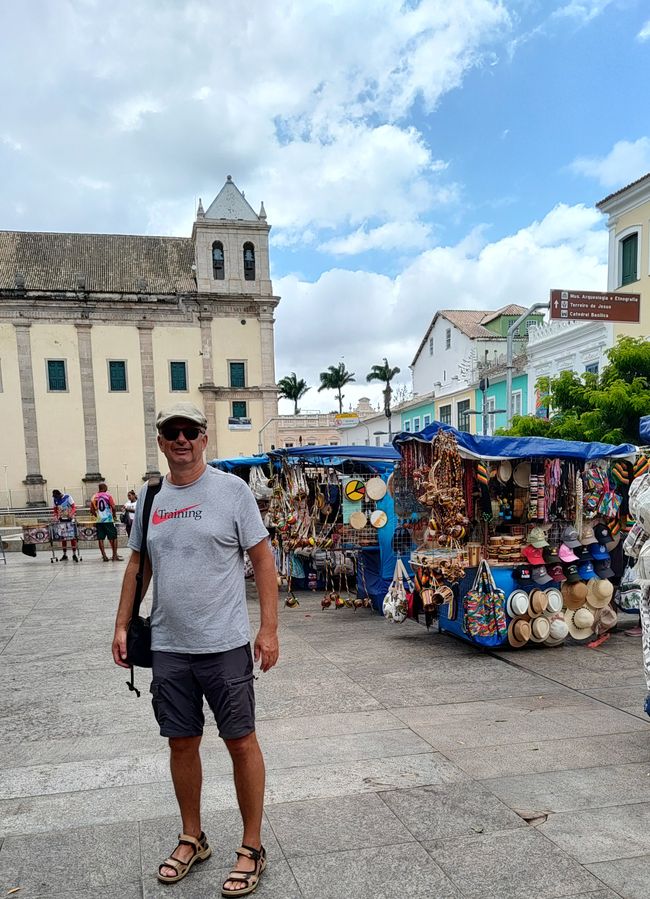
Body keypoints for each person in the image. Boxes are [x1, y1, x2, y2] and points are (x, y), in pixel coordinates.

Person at [112, 401, 279, 895]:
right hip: (168, 646)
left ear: (204, 438)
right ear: (161, 442)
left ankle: (252, 846)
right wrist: (122, 625)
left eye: (190, 431)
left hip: (225, 644)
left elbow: (264, 563)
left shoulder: (233, 492)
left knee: (240, 740)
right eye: (171, 432)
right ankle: (193, 836)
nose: (181, 440)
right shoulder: (151, 498)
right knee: (180, 742)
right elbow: (136, 566)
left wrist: (268, 630)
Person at [90, 483, 123, 561]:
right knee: (114, 537)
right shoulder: (108, 496)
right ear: (104, 488)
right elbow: (114, 507)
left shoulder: (94, 497)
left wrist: (97, 516)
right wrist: (114, 515)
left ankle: (104, 556)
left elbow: (91, 510)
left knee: (100, 538)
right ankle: (114, 556)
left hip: (99, 521)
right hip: (108, 520)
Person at [51, 489, 78, 562]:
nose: (56, 499)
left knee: (72, 537)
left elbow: (74, 507)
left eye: (57, 497)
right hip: (61, 520)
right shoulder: (54, 499)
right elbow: (55, 510)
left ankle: (74, 554)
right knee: (63, 538)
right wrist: (55, 517)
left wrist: (71, 514)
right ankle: (65, 554)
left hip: (70, 519)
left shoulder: (68, 497)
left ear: (60, 494)